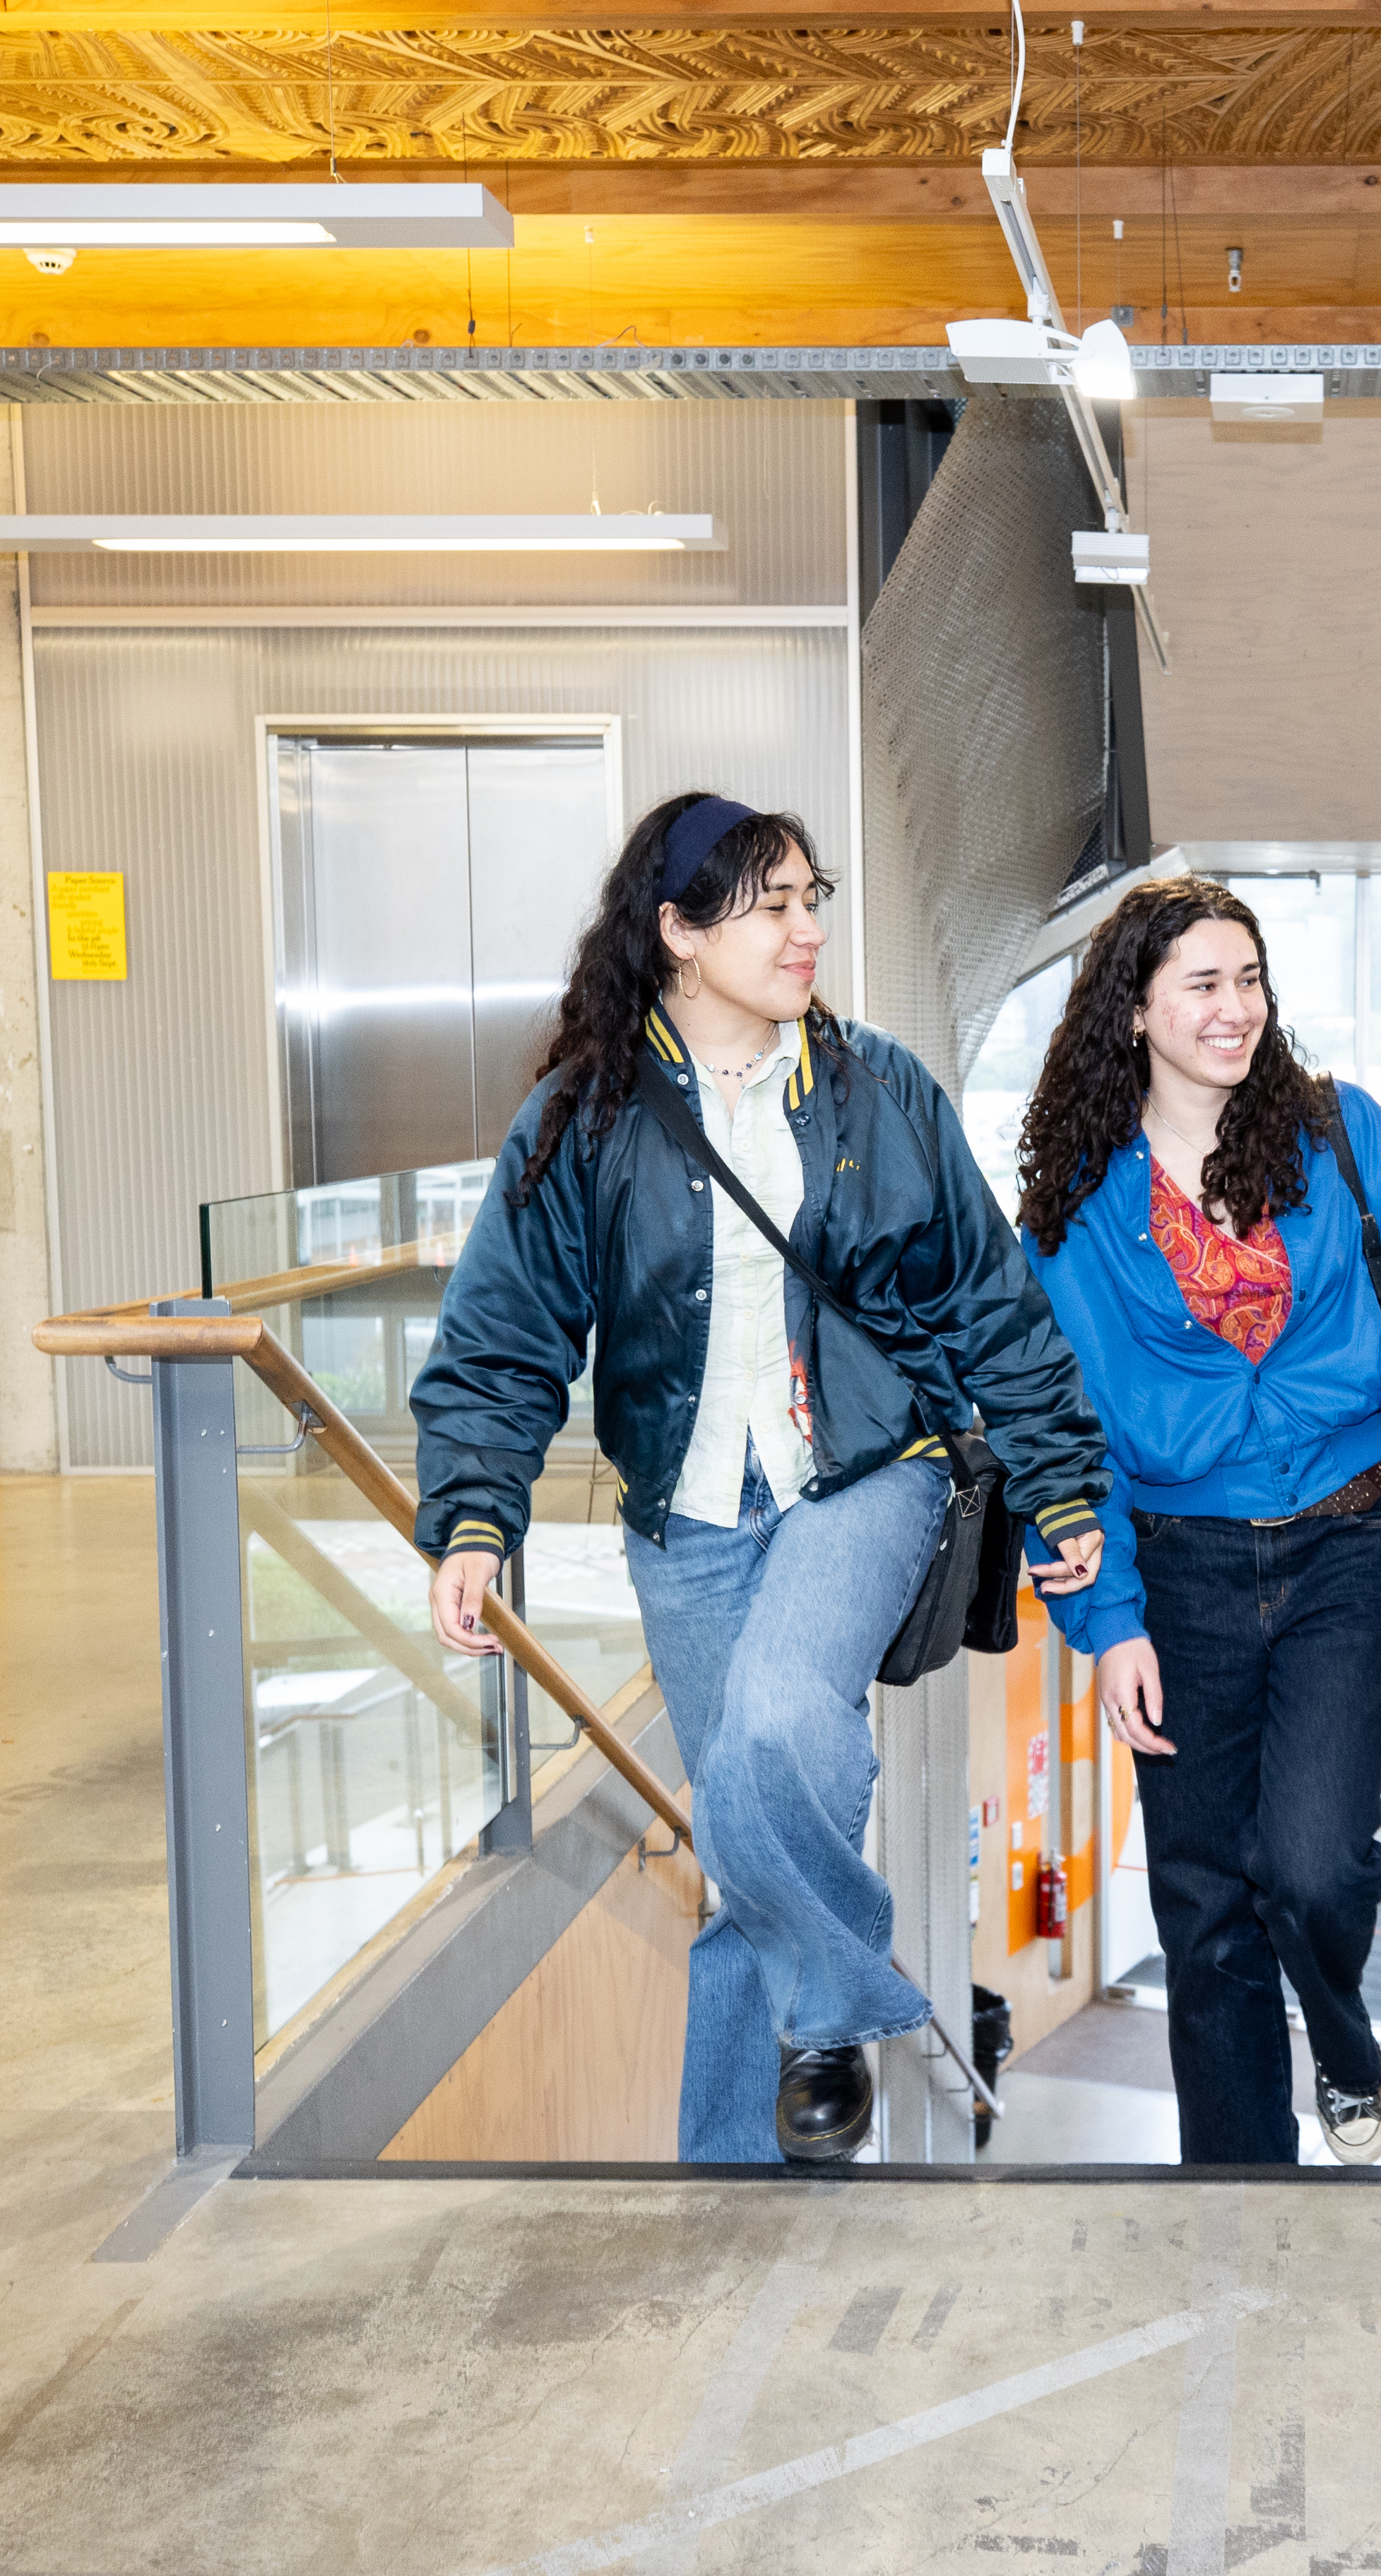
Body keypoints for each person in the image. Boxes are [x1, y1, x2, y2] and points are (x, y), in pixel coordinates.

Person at [410, 792, 1110, 2166]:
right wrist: (475, 1514)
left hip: (866, 1467)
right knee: (743, 1826)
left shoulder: (877, 1088)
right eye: (768, 904)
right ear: (674, 931)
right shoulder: (590, 1115)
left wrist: (1061, 1479)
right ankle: (736, 2182)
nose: (805, 929)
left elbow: (990, 1298)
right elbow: (506, 1328)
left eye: (811, 899)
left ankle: (838, 2007)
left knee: (786, 1722)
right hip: (687, 1509)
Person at [1014, 876, 1381, 2166]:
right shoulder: (1075, 1203)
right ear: (1132, 1010)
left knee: (1309, 1864)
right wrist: (1108, 1619)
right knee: (1201, 1908)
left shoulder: (1338, 1134)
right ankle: (1239, 2207)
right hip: (1179, 1569)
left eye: (1248, 981)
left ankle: (1343, 2034)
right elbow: (1055, 1432)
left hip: (1348, 1540)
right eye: (1202, 984)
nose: (1235, 1009)